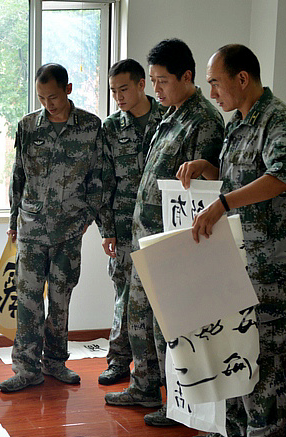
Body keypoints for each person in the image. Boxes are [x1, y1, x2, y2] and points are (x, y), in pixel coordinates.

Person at [178, 44, 286, 437]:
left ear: (242, 79)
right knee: (236, 344)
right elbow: (238, 177)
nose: (211, 90)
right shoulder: (239, 124)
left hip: (271, 260)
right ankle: (235, 431)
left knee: (265, 355)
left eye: (215, 81)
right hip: (238, 256)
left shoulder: (278, 119)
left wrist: (224, 202)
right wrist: (209, 170)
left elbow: (282, 175)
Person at [104, 39, 224, 427]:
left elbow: (205, 187)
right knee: (140, 317)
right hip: (147, 234)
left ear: (186, 77)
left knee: (169, 323)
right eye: (152, 81)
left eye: (161, 81)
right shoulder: (172, 114)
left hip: (173, 240)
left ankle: (178, 401)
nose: (156, 89)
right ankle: (144, 385)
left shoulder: (204, 120)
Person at [0, 63, 103, 393]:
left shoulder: (90, 126)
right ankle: (26, 368)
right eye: (42, 98)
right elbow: (18, 176)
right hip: (31, 227)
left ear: (68, 90)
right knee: (28, 299)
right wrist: (14, 221)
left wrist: (88, 218)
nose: (49, 104)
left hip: (69, 231)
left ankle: (55, 362)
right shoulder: (28, 126)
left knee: (61, 298)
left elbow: (97, 178)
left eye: (54, 97)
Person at [97, 59, 165, 386]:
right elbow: (103, 181)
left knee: (160, 297)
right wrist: (106, 229)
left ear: (142, 84)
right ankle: (118, 362)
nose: (119, 97)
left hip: (160, 227)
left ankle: (158, 369)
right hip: (124, 228)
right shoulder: (111, 127)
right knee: (123, 297)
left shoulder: (167, 119)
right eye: (113, 91)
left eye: (124, 89)